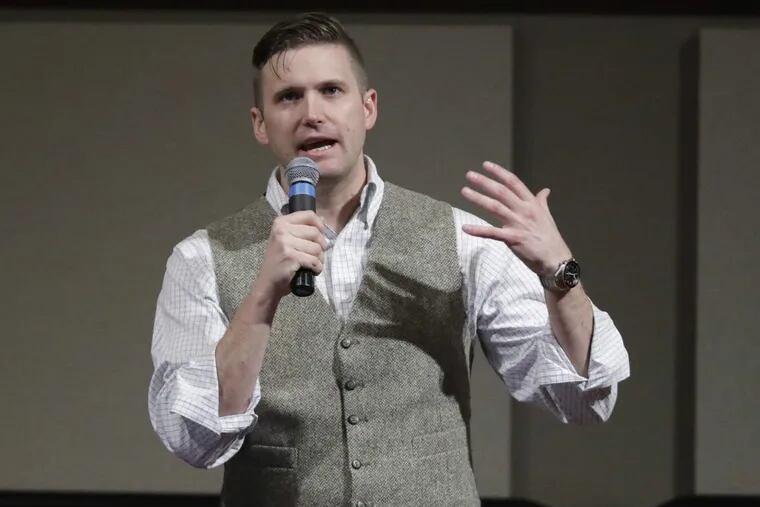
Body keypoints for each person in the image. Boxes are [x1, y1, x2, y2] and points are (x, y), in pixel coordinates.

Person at [148, 12, 630, 506]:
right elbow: (194, 441)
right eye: (289, 96)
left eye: (331, 90)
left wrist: (561, 275)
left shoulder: (461, 239)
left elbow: (583, 401)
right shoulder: (202, 258)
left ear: (368, 108)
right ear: (260, 124)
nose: (312, 113)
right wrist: (261, 297)